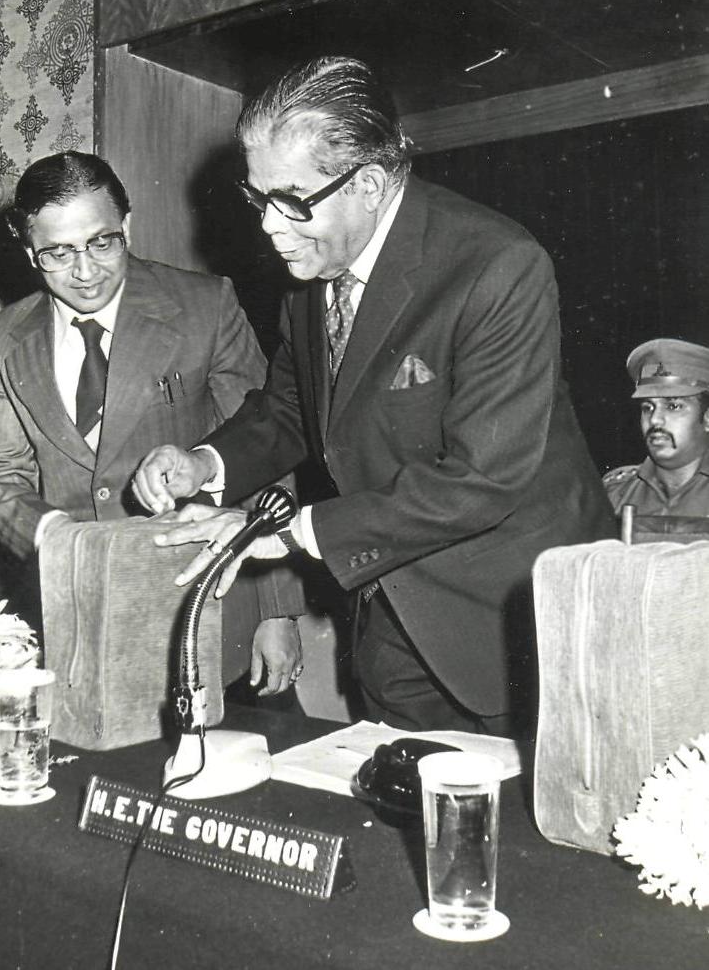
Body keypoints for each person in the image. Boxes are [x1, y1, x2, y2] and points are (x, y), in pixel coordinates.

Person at [132, 55, 616, 736]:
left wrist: (289, 532)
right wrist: (205, 464)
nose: (270, 227)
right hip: (393, 601)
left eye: (292, 200)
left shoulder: (497, 265)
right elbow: (293, 408)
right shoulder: (312, 267)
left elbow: (482, 479)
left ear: (368, 183)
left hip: (514, 620)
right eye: (258, 198)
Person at [0, 151, 304, 695]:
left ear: (126, 226)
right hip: (79, 619)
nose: (85, 272)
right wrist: (54, 537)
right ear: (30, 253)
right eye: (57, 253)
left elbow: (268, 448)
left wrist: (278, 610)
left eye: (101, 242)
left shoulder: (205, 305)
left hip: (205, 608)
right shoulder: (7, 335)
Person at [604, 338, 709, 515]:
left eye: (673, 406)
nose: (654, 420)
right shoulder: (614, 493)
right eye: (648, 408)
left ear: (707, 418)